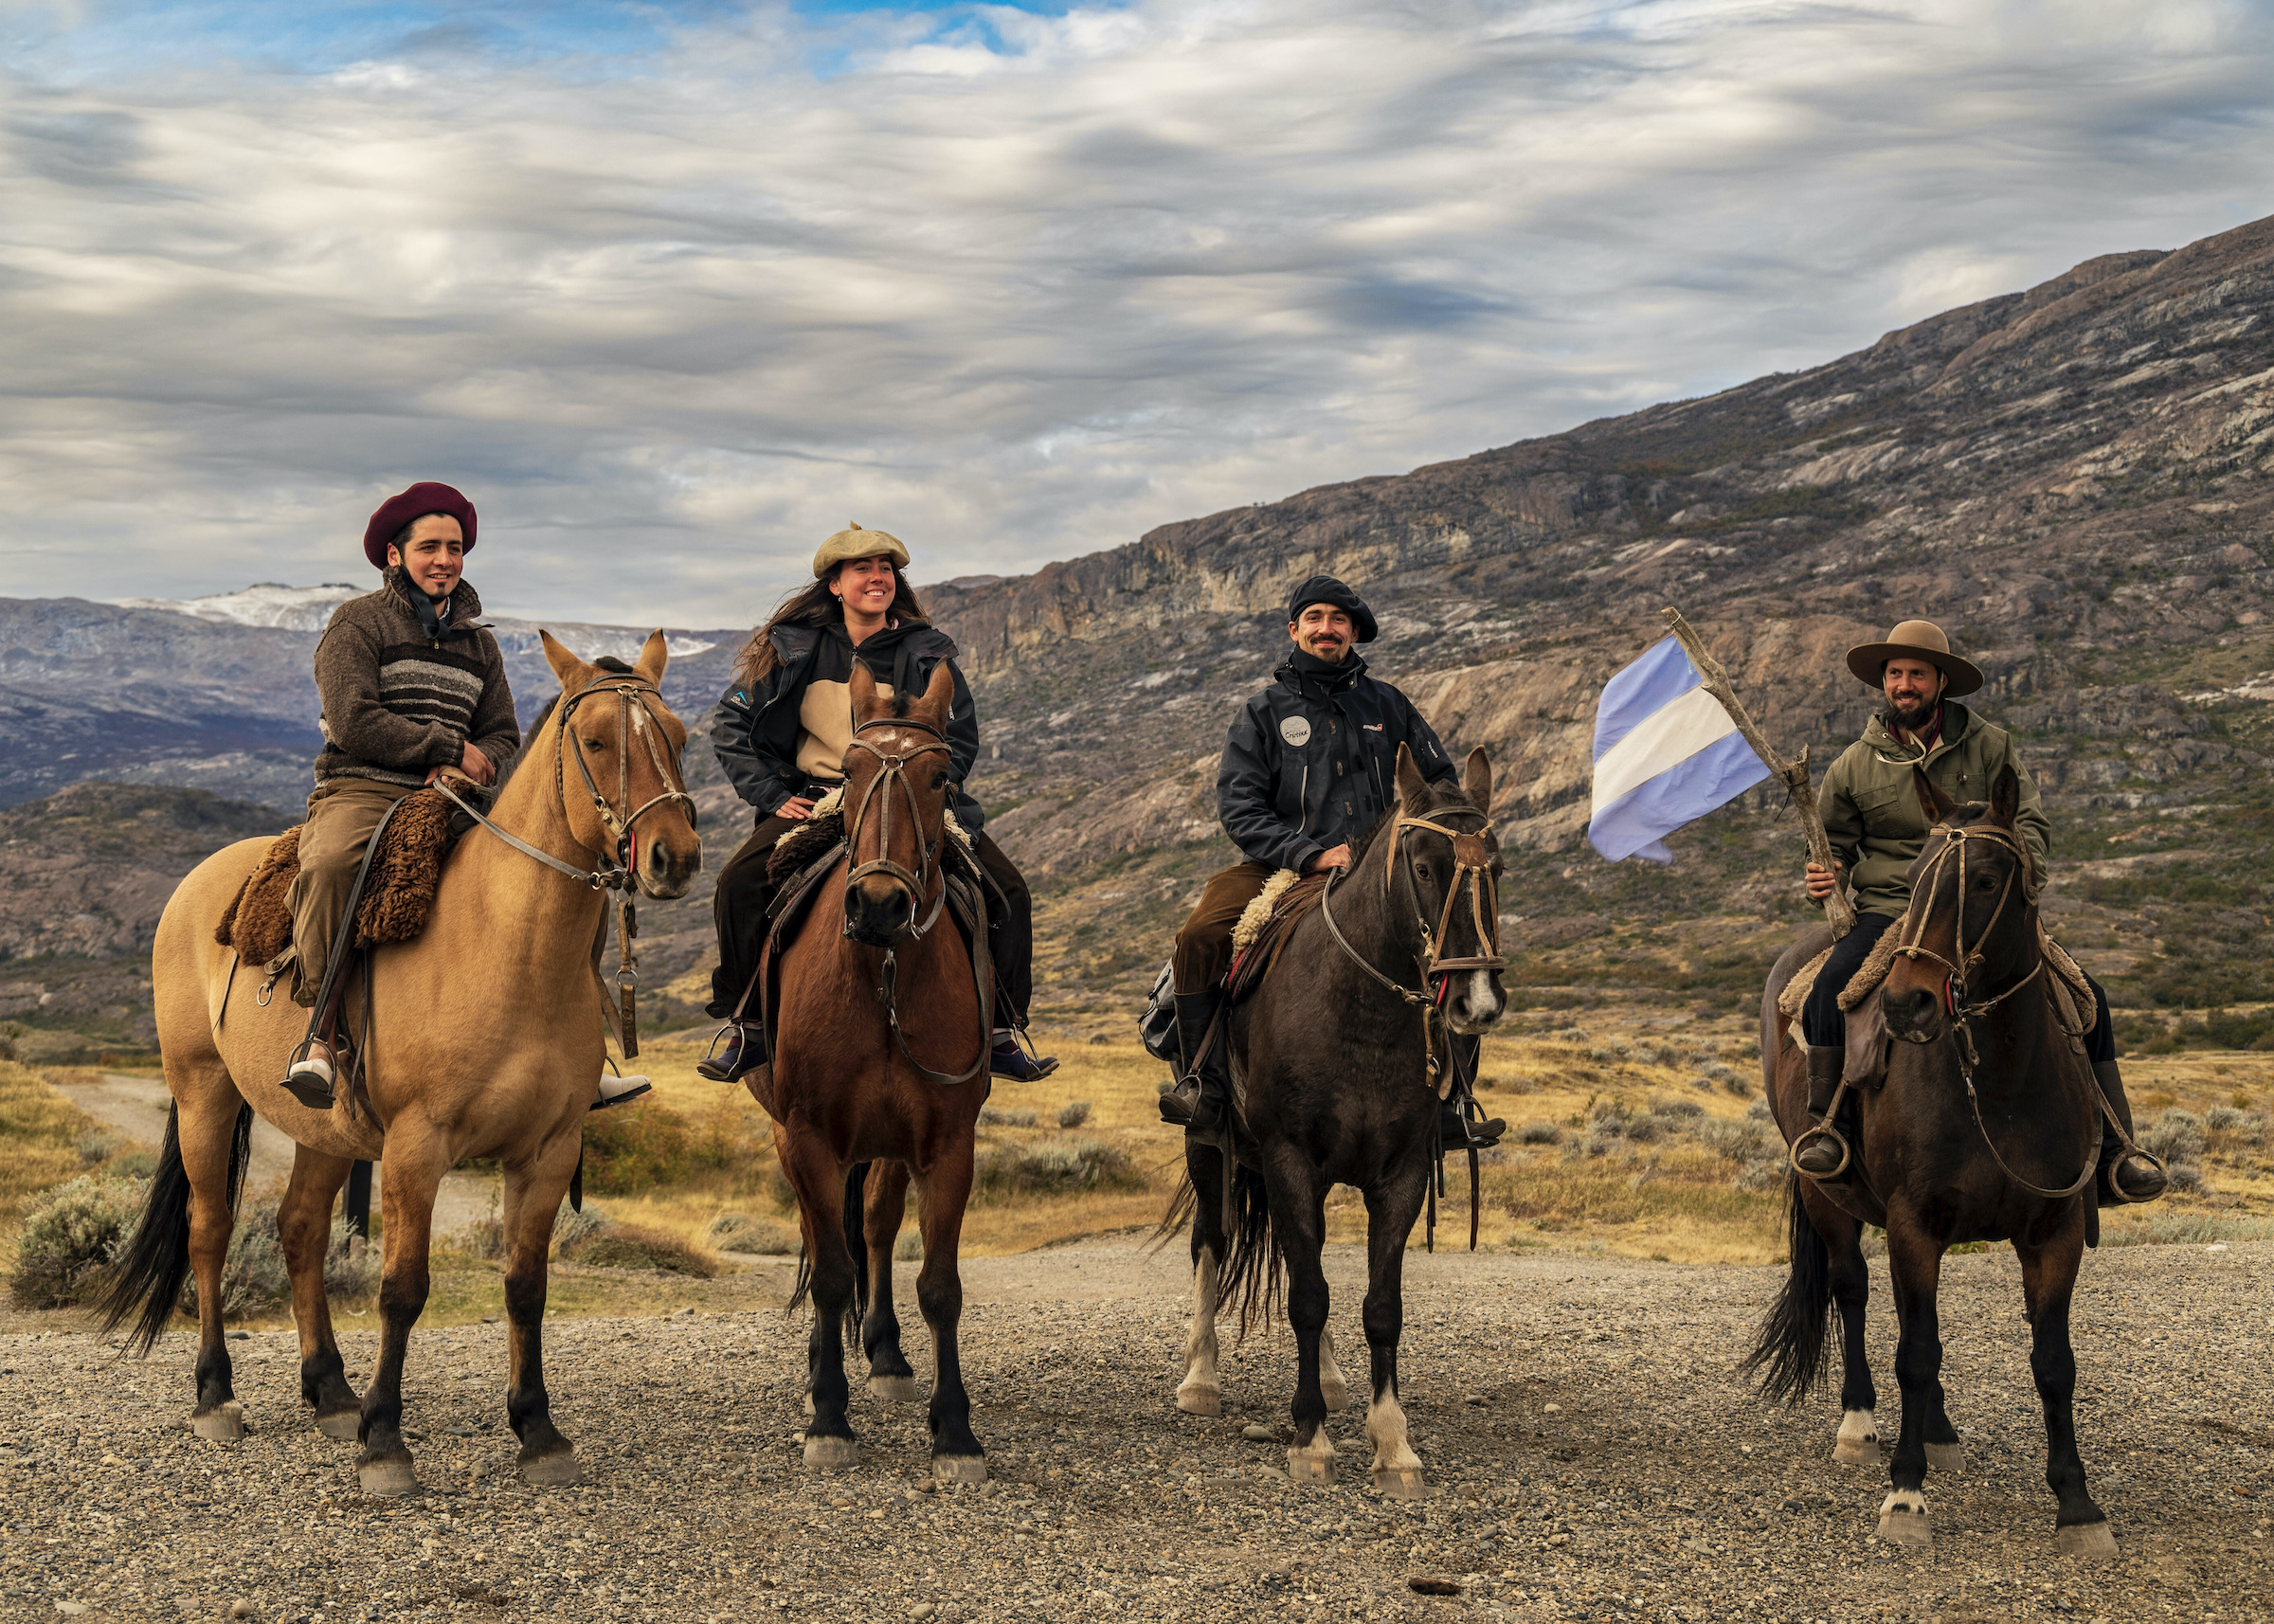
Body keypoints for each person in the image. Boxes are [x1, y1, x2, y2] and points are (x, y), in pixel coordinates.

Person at [1796, 619, 2164, 1203]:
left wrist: (2019, 879)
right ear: (1883, 684)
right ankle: (1831, 1129)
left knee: (2085, 995)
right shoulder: (1853, 764)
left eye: (1917, 673)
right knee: (1829, 991)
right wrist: (1824, 872)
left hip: (1984, 906)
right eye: (1895, 674)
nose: (1904, 684)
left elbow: (2031, 824)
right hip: (1895, 908)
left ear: (1942, 682)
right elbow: (1832, 841)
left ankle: (2118, 1150)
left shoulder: (1992, 747)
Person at [702, 522, 1056, 1087]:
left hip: (913, 801)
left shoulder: (928, 652)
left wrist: (931, 790)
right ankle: (748, 1026)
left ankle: (1002, 1031)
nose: (877, 578)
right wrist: (772, 795)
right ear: (835, 585)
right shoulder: (792, 648)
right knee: (739, 884)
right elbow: (731, 723)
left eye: (885, 569)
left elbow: (959, 734)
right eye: (862, 569)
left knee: (1008, 891)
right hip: (820, 800)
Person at [1160, 575, 1502, 1146]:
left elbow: (1440, 784)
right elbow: (1239, 806)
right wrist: (1309, 853)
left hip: (1384, 875)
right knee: (1198, 936)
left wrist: (1452, 832)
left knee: (1461, 942)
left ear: (1353, 632)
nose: (1326, 628)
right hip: (1279, 869)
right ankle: (1205, 1084)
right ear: (1294, 629)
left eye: (1338, 619)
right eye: (1314, 617)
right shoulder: (1262, 712)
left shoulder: (1388, 704)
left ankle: (1453, 1101)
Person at [281, 482, 521, 1109]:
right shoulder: (358, 622)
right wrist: (442, 749)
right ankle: (320, 1032)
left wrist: (476, 766)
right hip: (362, 785)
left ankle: (571, 1046)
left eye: (456, 547)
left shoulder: (480, 644)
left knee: (557, 872)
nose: (444, 559)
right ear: (395, 555)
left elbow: (501, 734)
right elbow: (354, 718)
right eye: (429, 547)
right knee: (333, 863)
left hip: (457, 799)